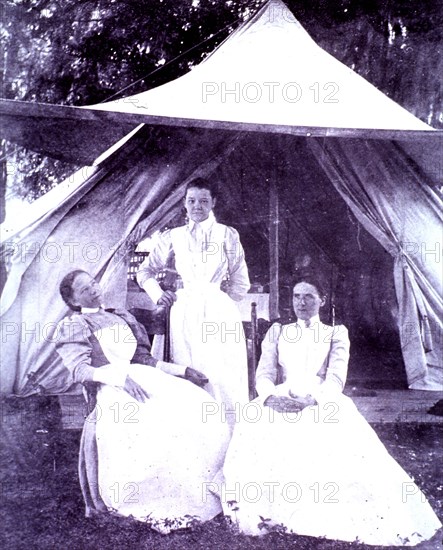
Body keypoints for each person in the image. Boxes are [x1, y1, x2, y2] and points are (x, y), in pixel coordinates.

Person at [221, 277, 442, 545]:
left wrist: (312, 400)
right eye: (297, 297)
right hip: (280, 397)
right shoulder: (278, 332)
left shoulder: (335, 333)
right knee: (256, 427)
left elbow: (336, 379)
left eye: (309, 297)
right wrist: (269, 397)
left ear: (322, 301)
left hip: (319, 398)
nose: (301, 303)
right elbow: (265, 373)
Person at [55, 269, 230, 533]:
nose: (93, 289)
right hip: (112, 388)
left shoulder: (121, 316)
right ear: (74, 301)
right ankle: (155, 501)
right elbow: (80, 370)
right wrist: (118, 379)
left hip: (145, 378)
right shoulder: (76, 325)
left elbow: (143, 359)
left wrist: (183, 371)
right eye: (84, 290)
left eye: (92, 283)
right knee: (150, 429)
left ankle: (200, 494)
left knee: (199, 411)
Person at [137, 178, 250, 425]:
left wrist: (218, 301)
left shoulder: (227, 235)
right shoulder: (172, 237)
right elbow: (144, 272)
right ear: (184, 204)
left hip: (219, 313)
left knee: (221, 376)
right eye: (191, 201)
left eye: (203, 201)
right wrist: (158, 294)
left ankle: (228, 438)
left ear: (213, 203)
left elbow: (241, 282)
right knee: (187, 371)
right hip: (183, 314)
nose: (197, 206)